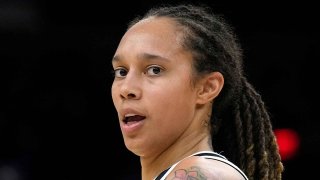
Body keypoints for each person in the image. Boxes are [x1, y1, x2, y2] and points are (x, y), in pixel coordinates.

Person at [110, 3, 284, 180]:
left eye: (154, 70)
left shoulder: (206, 175)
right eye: (121, 72)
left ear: (207, 88)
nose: (126, 89)